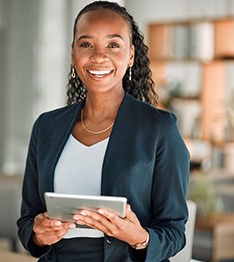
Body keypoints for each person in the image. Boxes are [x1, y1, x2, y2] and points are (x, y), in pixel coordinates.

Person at [17, 1, 190, 261]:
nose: (99, 56)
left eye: (113, 45)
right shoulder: (47, 126)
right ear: (73, 53)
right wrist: (39, 234)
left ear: (130, 55)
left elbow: (174, 232)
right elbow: (27, 221)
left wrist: (138, 237)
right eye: (86, 44)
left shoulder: (159, 128)